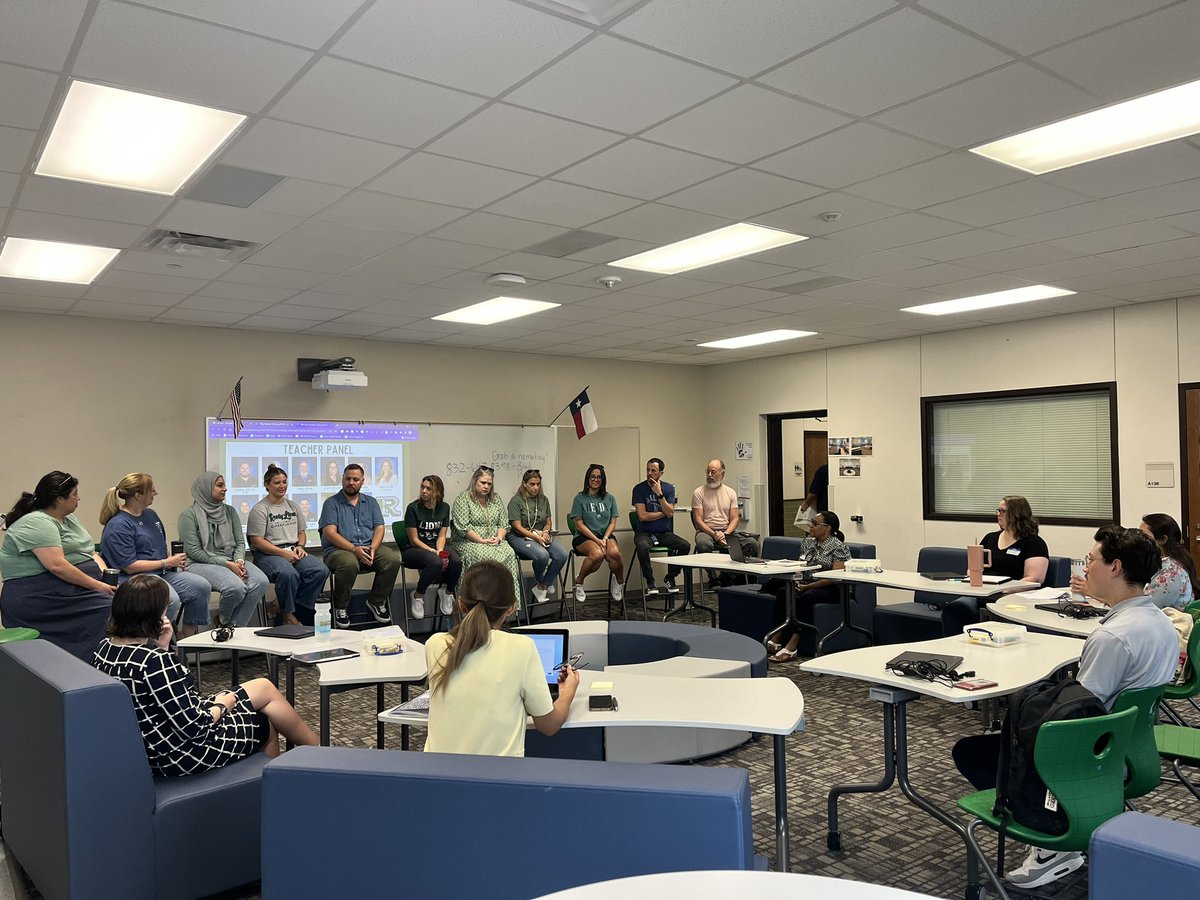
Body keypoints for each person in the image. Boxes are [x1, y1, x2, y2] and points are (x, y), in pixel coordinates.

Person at [952, 525, 1177, 889]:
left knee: (973, 751)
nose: (1086, 568)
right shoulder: (1159, 622)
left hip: (1092, 757)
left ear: (1115, 567)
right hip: (1131, 750)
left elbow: (1077, 713)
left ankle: (1053, 841)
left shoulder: (1113, 637)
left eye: (1091, 560)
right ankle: (1086, 819)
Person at [93, 575, 318, 776]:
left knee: (263, 687)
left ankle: (319, 756)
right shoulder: (154, 661)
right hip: (178, 754)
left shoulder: (105, 649)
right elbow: (196, 727)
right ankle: (315, 765)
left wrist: (162, 647)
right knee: (263, 722)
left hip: (149, 744)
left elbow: (162, 696)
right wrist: (223, 705)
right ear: (153, 616)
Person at [424, 561, 579, 757]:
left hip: (437, 779)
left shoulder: (435, 644)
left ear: (461, 604)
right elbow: (549, 725)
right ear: (511, 608)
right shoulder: (522, 647)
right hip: (497, 781)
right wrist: (568, 690)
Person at [0, 471, 114, 660]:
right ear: (60, 499)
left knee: (132, 603)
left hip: (70, 590)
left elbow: (90, 552)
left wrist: (103, 574)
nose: (79, 498)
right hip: (40, 597)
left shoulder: (69, 519)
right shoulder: (36, 522)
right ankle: (97, 667)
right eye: (75, 493)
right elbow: (57, 566)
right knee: (113, 609)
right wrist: (99, 586)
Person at [99, 472, 211, 639]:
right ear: (138, 495)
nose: (155, 493)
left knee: (201, 586)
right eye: (151, 490)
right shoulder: (118, 525)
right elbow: (129, 566)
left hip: (162, 572)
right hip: (136, 578)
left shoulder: (151, 515)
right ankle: (154, 642)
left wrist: (173, 561)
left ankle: (186, 637)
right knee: (169, 598)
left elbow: (160, 544)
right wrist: (166, 562)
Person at [940, 495, 1049, 637]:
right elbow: (973, 568)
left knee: (1003, 617)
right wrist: (974, 577)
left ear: (1017, 514)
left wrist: (1002, 589)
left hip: (1011, 595)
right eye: (998, 510)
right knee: (954, 610)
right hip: (982, 593)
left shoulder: (1034, 542)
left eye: (1003, 511)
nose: (998, 514)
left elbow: (1034, 579)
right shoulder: (990, 538)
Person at [178, 472, 269, 627]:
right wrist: (228, 564)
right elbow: (194, 551)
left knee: (261, 581)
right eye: (220, 485)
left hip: (231, 560)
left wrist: (239, 561)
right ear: (205, 489)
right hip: (199, 563)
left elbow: (240, 542)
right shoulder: (188, 515)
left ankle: (232, 626)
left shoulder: (230, 511)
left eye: (224, 485)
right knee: (235, 587)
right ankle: (225, 623)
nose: (225, 489)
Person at [318, 464, 401, 628]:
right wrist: (354, 549)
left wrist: (373, 549)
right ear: (342, 479)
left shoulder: (370, 502)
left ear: (362, 482)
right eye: (348, 478)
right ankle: (341, 606)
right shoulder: (331, 503)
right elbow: (329, 532)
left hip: (368, 547)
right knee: (349, 562)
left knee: (392, 559)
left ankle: (376, 601)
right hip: (338, 551)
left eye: (355, 479)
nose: (351, 482)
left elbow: (379, 528)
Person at [247, 465, 329, 627]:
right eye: (277, 483)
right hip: (267, 554)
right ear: (267, 485)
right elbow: (257, 541)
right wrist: (282, 554)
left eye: (284, 482)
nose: (282, 486)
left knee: (320, 570)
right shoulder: (260, 509)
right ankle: (287, 614)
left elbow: (302, 532)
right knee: (288, 574)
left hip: (293, 550)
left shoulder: (293, 506)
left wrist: (301, 546)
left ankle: (290, 607)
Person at [766, 511, 851, 662]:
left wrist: (809, 586)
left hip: (832, 588)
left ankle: (793, 645)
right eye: (811, 522)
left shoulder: (838, 547)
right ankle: (776, 638)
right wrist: (797, 581)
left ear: (828, 528)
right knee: (784, 592)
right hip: (807, 584)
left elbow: (836, 577)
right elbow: (802, 564)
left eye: (816, 523)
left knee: (807, 597)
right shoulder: (808, 542)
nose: (811, 526)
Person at [450, 466, 521, 603]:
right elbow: (463, 528)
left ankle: (504, 601)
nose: (486, 486)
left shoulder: (496, 499)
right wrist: (482, 540)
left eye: (489, 484)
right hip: (468, 541)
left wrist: (499, 538)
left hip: (494, 540)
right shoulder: (463, 499)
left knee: (509, 553)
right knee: (484, 555)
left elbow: (503, 524)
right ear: (474, 481)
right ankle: (482, 600)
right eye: (483, 483)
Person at [402, 474, 461, 619]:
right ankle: (417, 595)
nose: (424, 491)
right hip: (414, 549)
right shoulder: (413, 508)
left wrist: (440, 550)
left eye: (428, 488)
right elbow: (414, 539)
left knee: (456, 561)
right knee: (435, 562)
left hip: (435, 546)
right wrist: (432, 551)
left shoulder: (444, 508)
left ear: (438, 492)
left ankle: (447, 592)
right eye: (422, 487)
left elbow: (442, 535)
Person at [507, 469, 568, 604]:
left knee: (562, 554)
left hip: (539, 534)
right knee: (542, 555)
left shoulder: (543, 499)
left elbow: (548, 522)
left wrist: (545, 532)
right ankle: (540, 581)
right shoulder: (516, 501)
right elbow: (517, 526)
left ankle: (543, 586)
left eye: (538, 484)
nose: (535, 487)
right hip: (518, 536)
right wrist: (536, 538)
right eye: (532, 484)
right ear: (524, 484)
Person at [631, 457, 688, 598]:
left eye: (653, 471)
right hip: (644, 532)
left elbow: (670, 513)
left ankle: (670, 577)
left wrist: (659, 494)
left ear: (661, 473)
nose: (650, 473)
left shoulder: (668, 488)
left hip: (663, 533)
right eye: (648, 470)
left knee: (685, 545)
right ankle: (650, 582)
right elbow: (643, 516)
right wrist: (664, 513)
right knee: (642, 546)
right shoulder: (639, 489)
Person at [569, 464, 623, 606]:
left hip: (605, 535)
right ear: (588, 478)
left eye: (599, 477)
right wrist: (597, 540)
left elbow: (612, 522)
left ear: (603, 480)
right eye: (593, 476)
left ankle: (618, 581)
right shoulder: (579, 498)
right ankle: (579, 581)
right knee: (598, 555)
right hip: (584, 537)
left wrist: (604, 538)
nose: (596, 479)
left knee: (615, 554)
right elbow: (579, 524)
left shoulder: (609, 498)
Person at [691, 458, 750, 585]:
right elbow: (698, 520)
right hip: (706, 531)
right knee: (703, 543)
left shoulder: (730, 492)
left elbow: (735, 518)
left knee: (752, 544)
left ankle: (728, 576)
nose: (710, 475)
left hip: (726, 531)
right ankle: (713, 578)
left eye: (713, 472)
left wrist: (726, 533)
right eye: (708, 472)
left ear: (722, 474)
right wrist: (714, 535)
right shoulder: (699, 492)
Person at [1139, 513, 1196, 610]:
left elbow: (1146, 608)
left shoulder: (1172, 572)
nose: (1139, 539)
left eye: (1144, 535)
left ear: (1162, 540)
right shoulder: (1157, 563)